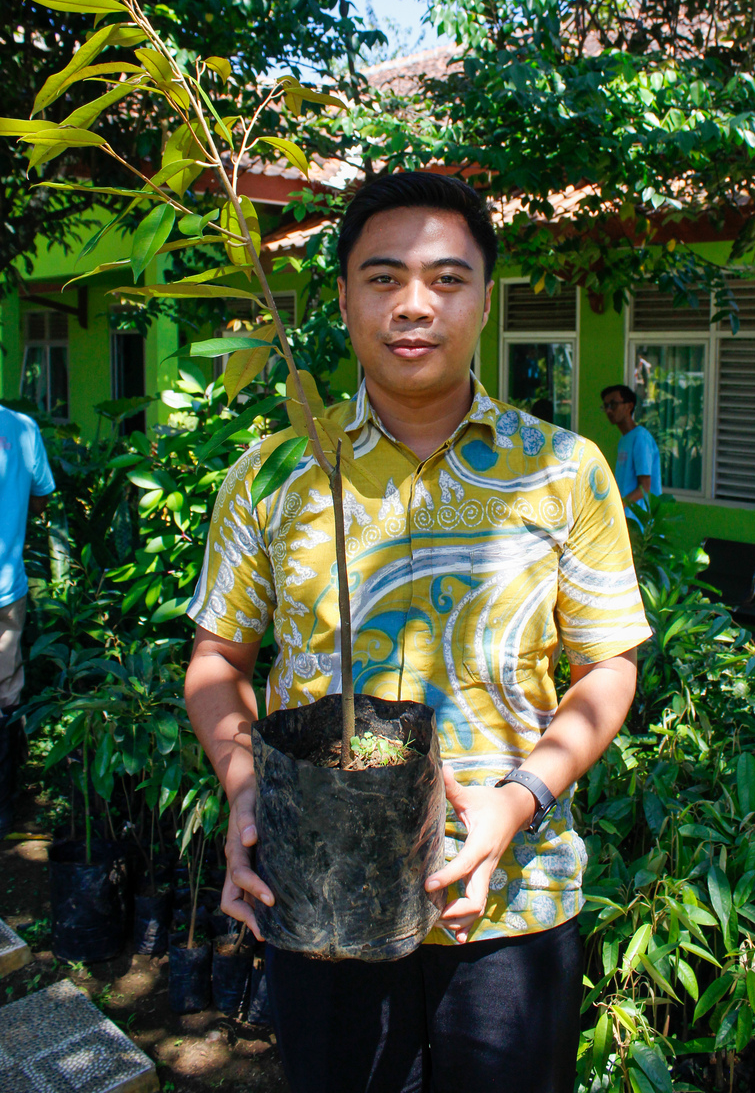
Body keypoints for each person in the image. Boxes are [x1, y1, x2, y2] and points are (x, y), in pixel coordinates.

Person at [185, 172, 650, 1093]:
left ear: (486, 300)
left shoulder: (564, 470)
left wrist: (518, 800)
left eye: (446, 279)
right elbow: (218, 659)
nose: (413, 305)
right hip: (320, 893)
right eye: (383, 277)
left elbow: (608, 665)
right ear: (343, 298)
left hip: (512, 900)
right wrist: (245, 787)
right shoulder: (275, 474)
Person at [0, 401, 55, 835]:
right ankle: (4, 803)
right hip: (6, 588)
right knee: (5, 691)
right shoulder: (21, 428)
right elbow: (42, 496)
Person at [601, 383, 662, 510]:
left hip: (639, 518)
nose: (608, 411)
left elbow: (645, 487)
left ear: (629, 406)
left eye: (613, 404)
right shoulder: (624, 439)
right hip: (625, 515)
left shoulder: (641, 438)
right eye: (606, 406)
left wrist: (618, 507)